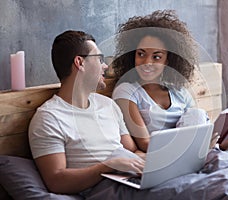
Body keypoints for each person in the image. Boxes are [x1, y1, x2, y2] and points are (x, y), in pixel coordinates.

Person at [111, 10, 228, 152]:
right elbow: (146, 144)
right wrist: (196, 148)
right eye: (141, 54)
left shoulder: (179, 92)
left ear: (168, 60)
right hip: (166, 159)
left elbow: (209, 144)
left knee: (196, 114)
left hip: (196, 156)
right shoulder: (126, 91)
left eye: (156, 57)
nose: (147, 62)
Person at [28, 30, 145, 195]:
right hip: (105, 188)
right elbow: (56, 180)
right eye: (99, 59)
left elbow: (131, 151)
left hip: (131, 180)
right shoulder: (49, 118)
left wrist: (148, 163)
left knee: (187, 181)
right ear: (80, 62)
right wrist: (108, 166)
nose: (105, 66)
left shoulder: (108, 105)